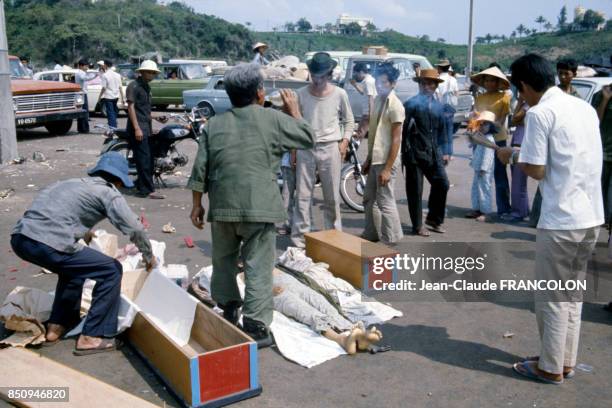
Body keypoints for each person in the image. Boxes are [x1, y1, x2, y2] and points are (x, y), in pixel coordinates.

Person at [188, 63, 315, 347]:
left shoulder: (214, 125)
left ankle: (228, 307)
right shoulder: (273, 119)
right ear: (259, 93)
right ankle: (256, 325)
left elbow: (200, 169)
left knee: (223, 259)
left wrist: (197, 205)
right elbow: (308, 137)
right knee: (258, 264)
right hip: (260, 206)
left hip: (222, 206)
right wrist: (294, 111)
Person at [497, 53, 603, 384]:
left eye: (519, 90)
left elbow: (538, 169)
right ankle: (563, 360)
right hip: (590, 217)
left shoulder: (541, 113)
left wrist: (513, 155)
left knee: (552, 297)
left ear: (524, 85)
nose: (520, 97)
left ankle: (550, 367)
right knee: (571, 295)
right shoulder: (583, 106)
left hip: (562, 219)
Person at [10, 152, 156, 356]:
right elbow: (135, 229)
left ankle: (57, 327)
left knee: (73, 269)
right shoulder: (108, 192)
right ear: (118, 181)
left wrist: (85, 233)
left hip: (21, 238)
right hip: (49, 243)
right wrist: (149, 255)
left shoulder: (69, 183)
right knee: (111, 269)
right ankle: (92, 336)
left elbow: (56, 213)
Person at [291, 52, 355, 247]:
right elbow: (295, 123)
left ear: (329, 74)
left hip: (330, 147)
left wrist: (344, 142)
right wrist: (294, 149)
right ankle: (300, 239)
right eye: (314, 75)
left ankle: (333, 237)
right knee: (302, 195)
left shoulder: (339, 94)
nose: (317, 79)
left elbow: (349, 120)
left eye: (321, 75)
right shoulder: (301, 94)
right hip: (305, 147)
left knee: (332, 197)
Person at [402, 68, 451, 236]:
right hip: (414, 154)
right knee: (415, 191)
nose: (427, 86)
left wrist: (446, 151)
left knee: (442, 184)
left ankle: (434, 219)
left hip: (434, 152)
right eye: (424, 83)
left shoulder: (438, 106)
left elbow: (443, 131)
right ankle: (417, 226)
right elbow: (401, 131)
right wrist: (403, 153)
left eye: (431, 83)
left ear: (436, 86)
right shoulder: (410, 105)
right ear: (419, 85)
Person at [360, 62, 404, 244]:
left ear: (393, 84)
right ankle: (372, 234)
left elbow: (396, 140)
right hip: (376, 159)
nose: (379, 85)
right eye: (378, 82)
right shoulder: (378, 100)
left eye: (384, 82)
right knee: (369, 198)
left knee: (385, 201)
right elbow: (375, 135)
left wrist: (387, 168)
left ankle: (393, 240)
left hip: (387, 161)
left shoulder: (395, 105)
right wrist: (368, 159)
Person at [471, 66, 512, 218]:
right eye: (487, 80)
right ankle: (479, 207)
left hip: (498, 140)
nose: (489, 83)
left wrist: (491, 128)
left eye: (492, 80)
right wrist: (476, 130)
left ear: (498, 82)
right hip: (480, 140)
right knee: (480, 174)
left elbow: (502, 119)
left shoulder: (504, 98)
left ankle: (503, 209)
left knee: (499, 175)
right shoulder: (479, 98)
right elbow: (474, 118)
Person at [126, 60, 168, 200]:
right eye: (149, 72)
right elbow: (131, 108)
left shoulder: (146, 87)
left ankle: (141, 184)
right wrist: (137, 129)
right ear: (142, 72)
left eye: (153, 73)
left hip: (146, 127)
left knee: (149, 159)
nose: (151, 75)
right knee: (144, 160)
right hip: (137, 128)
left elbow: (144, 111)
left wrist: (156, 118)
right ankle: (147, 190)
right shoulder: (134, 86)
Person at [465, 111, 498, 222]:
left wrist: (483, 169)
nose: (483, 126)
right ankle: (477, 209)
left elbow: (488, 156)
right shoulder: (481, 137)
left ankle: (486, 212)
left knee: (484, 189)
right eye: (481, 124)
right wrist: (470, 132)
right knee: (476, 188)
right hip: (477, 167)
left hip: (484, 170)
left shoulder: (490, 139)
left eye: (485, 124)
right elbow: (471, 143)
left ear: (491, 126)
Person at [592, 83, 612, 225]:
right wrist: (605, 100)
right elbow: (594, 121)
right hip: (602, 152)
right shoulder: (600, 95)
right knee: (599, 191)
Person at [508, 96, 530, 221]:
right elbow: (513, 121)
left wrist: (521, 102)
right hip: (517, 142)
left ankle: (519, 212)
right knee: (517, 181)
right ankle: (522, 209)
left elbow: (515, 119)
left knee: (519, 181)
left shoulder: (529, 105)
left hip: (521, 144)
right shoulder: (525, 104)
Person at [435, 59, 459, 156]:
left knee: (440, 130)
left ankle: (441, 152)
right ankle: (450, 153)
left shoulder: (437, 79)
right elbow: (457, 93)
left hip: (440, 108)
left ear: (440, 68)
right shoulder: (453, 79)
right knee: (449, 130)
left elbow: (436, 95)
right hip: (450, 108)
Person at [349, 62, 377, 138]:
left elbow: (371, 98)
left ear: (361, 72)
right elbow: (363, 93)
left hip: (368, 113)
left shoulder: (368, 81)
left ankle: (353, 148)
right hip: (367, 112)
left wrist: (370, 114)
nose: (356, 76)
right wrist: (355, 85)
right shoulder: (367, 80)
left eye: (356, 73)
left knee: (360, 133)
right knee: (360, 132)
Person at [98, 60, 124, 129]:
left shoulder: (105, 75)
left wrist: (99, 96)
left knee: (110, 112)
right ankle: (113, 124)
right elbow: (120, 87)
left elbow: (104, 87)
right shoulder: (118, 75)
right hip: (116, 96)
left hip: (109, 96)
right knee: (114, 111)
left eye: (104, 64)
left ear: (105, 65)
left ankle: (112, 127)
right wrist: (123, 98)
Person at [75, 59, 94, 134]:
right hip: (81, 94)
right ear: (81, 66)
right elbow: (86, 78)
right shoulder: (81, 73)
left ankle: (81, 128)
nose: (87, 67)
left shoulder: (82, 72)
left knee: (82, 111)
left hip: (81, 93)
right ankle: (84, 129)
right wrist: (95, 74)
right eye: (86, 66)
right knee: (84, 111)